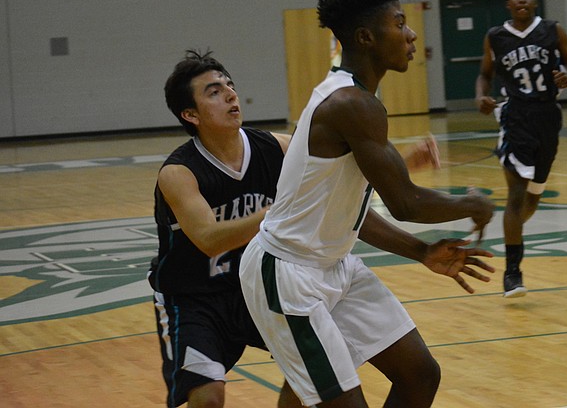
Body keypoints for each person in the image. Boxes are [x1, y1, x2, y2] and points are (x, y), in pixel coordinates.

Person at [150, 49, 493, 408]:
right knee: (208, 399)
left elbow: (337, 201)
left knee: (309, 375)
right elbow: (209, 239)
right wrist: (284, 208)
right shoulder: (179, 173)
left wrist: (402, 168)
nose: (230, 94)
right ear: (190, 114)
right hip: (195, 299)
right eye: (213, 92)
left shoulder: (276, 147)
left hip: (257, 289)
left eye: (229, 85)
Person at [239, 0, 496, 408]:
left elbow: (355, 214)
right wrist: (471, 204)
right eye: (399, 23)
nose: (412, 34)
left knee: (419, 375)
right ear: (366, 37)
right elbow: (406, 202)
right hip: (287, 274)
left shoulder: (357, 99)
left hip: (335, 265)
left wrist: (422, 251)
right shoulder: (351, 105)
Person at [475, 0, 567, 297]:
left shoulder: (553, 30)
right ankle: (512, 273)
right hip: (515, 117)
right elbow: (484, 75)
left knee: (533, 198)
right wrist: (481, 96)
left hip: (548, 118)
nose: (522, 0)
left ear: (535, 1)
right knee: (516, 196)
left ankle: (510, 232)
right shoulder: (495, 37)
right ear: (508, 3)